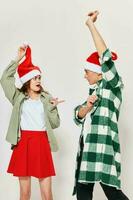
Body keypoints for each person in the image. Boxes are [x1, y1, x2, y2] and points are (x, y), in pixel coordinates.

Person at [73, 11, 129, 200]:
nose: (84, 75)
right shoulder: (93, 93)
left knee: (112, 192)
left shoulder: (112, 85)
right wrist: (87, 107)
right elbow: (77, 116)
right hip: (88, 148)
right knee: (83, 189)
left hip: (103, 148)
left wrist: (90, 25)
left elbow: (104, 55)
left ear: (99, 73)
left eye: (87, 71)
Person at [0, 44, 64, 200]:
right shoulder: (18, 98)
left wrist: (53, 109)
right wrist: (18, 58)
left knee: (47, 194)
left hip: (42, 142)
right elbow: (4, 79)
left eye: (39, 77)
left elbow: (55, 124)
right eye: (35, 77)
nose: (38, 80)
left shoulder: (47, 98)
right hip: (24, 144)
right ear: (27, 80)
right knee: (25, 193)